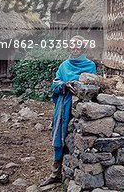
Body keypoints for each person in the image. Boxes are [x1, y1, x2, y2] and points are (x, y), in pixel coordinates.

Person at [40, 35, 96, 186]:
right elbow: (55, 83)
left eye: (78, 46)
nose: (74, 49)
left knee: (77, 139)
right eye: (72, 46)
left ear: (83, 48)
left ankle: (74, 172)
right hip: (63, 106)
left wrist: (78, 86)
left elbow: (93, 83)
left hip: (80, 109)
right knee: (59, 136)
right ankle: (55, 172)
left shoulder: (90, 65)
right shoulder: (64, 66)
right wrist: (64, 85)